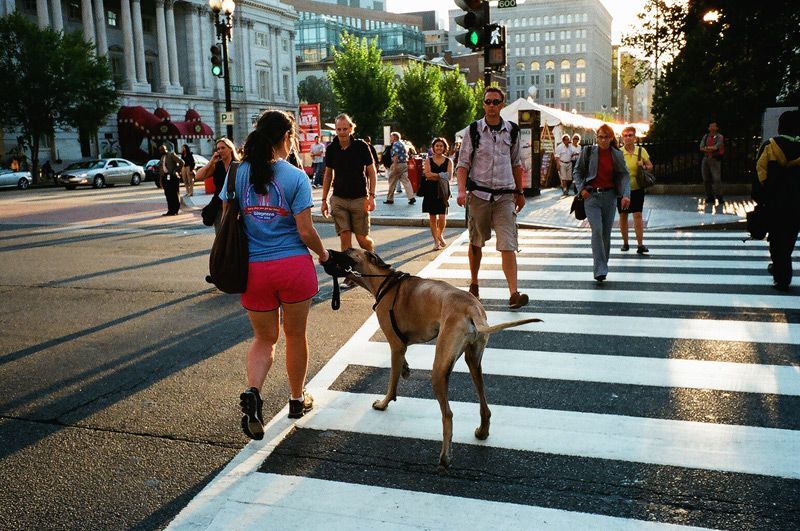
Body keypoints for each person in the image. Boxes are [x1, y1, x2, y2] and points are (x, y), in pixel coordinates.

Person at [218, 110, 330, 439]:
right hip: (292, 267)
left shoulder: (236, 173)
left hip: (253, 270)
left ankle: (253, 391)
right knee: (295, 336)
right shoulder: (295, 177)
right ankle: (297, 400)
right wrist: (323, 254)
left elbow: (228, 220)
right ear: (285, 138)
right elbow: (306, 231)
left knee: (264, 339)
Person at [456, 86, 529, 309]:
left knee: (508, 243)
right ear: (483, 104)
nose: (491, 106)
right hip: (479, 195)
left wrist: (520, 191)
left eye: (496, 102)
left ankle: (513, 293)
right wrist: (461, 190)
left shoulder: (512, 131)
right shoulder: (473, 130)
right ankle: (475, 283)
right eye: (488, 101)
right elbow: (463, 164)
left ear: (502, 105)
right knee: (476, 241)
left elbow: (516, 163)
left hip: (505, 196)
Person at [573, 123, 631, 282]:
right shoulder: (588, 151)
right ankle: (599, 268)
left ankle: (602, 265)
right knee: (597, 230)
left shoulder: (616, 154)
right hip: (591, 197)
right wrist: (581, 189)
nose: (603, 140)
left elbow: (624, 175)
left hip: (610, 197)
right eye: (600, 137)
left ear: (611, 138)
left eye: (606, 137)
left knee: (606, 233)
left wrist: (626, 195)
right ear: (597, 137)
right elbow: (577, 172)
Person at [755, 110, 800, 291]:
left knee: (776, 239)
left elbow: (760, 175)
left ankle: (781, 275)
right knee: (789, 237)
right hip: (797, 203)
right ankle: (782, 268)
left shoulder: (771, 146)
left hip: (775, 203)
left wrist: (760, 199)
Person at [320, 113, 377, 253]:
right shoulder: (331, 148)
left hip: (359, 198)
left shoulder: (361, 146)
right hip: (339, 199)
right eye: (339, 129)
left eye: (345, 129)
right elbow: (328, 175)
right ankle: (349, 271)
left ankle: (372, 259)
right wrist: (323, 200)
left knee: (362, 240)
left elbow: (372, 171)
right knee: (344, 237)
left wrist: (372, 196)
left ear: (351, 129)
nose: (342, 132)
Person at [618, 126, 654, 254]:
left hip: (637, 187)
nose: (628, 137)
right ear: (622, 138)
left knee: (637, 215)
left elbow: (650, 166)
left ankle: (640, 245)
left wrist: (643, 165)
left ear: (635, 137)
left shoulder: (641, 151)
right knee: (623, 216)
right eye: (625, 135)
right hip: (622, 189)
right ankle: (625, 243)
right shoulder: (619, 152)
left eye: (630, 135)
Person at [195, 137, 240, 233]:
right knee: (220, 235)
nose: (220, 151)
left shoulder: (238, 165)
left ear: (230, 149)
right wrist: (211, 162)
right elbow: (198, 176)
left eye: (223, 148)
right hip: (218, 204)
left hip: (235, 204)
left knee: (235, 235)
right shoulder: (217, 165)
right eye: (218, 149)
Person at [422, 137, 453, 251]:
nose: (439, 148)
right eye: (437, 146)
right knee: (432, 217)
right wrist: (441, 175)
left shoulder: (449, 161)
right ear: (433, 148)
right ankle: (436, 241)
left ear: (444, 148)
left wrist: (435, 175)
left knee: (442, 216)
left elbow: (448, 176)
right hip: (430, 191)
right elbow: (427, 175)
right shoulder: (428, 160)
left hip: (443, 191)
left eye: (441, 146)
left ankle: (440, 234)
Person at [384, 131, 415, 205]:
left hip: (397, 164)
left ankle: (390, 199)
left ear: (394, 137)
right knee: (406, 181)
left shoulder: (395, 145)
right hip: (404, 164)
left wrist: (394, 166)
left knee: (392, 181)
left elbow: (395, 155)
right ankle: (411, 197)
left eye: (391, 137)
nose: (390, 138)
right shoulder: (402, 144)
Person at [699, 121, 725, 206]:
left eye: (713, 126)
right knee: (706, 179)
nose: (712, 128)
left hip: (715, 159)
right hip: (706, 159)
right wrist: (710, 149)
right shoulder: (705, 136)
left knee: (716, 179)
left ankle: (719, 196)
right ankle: (709, 197)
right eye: (710, 126)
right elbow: (701, 147)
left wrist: (707, 148)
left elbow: (717, 146)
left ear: (717, 128)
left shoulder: (720, 137)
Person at [158, 144, 184, 216]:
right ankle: (170, 210)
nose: (161, 151)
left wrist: (176, 171)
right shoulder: (162, 157)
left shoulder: (171, 155)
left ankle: (175, 210)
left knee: (174, 194)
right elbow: (161, 169)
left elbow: (181, 162)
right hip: (165, 177)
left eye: (162, 149)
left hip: (173, 177)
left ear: (165, 149)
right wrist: (161, 180)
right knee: (168, 194)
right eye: (160, 150)